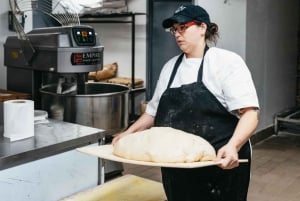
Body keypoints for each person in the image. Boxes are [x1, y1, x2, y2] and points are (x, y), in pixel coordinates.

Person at [113, 4, 259, 201]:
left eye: (183, 27)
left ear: (202, 28)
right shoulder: (170, 67)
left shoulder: (225, 62)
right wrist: (128, 133)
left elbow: (250, 113)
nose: (177, 34)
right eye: (174, 29)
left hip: (221, 161)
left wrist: (233, 145)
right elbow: (152, 112)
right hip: (177, 165)